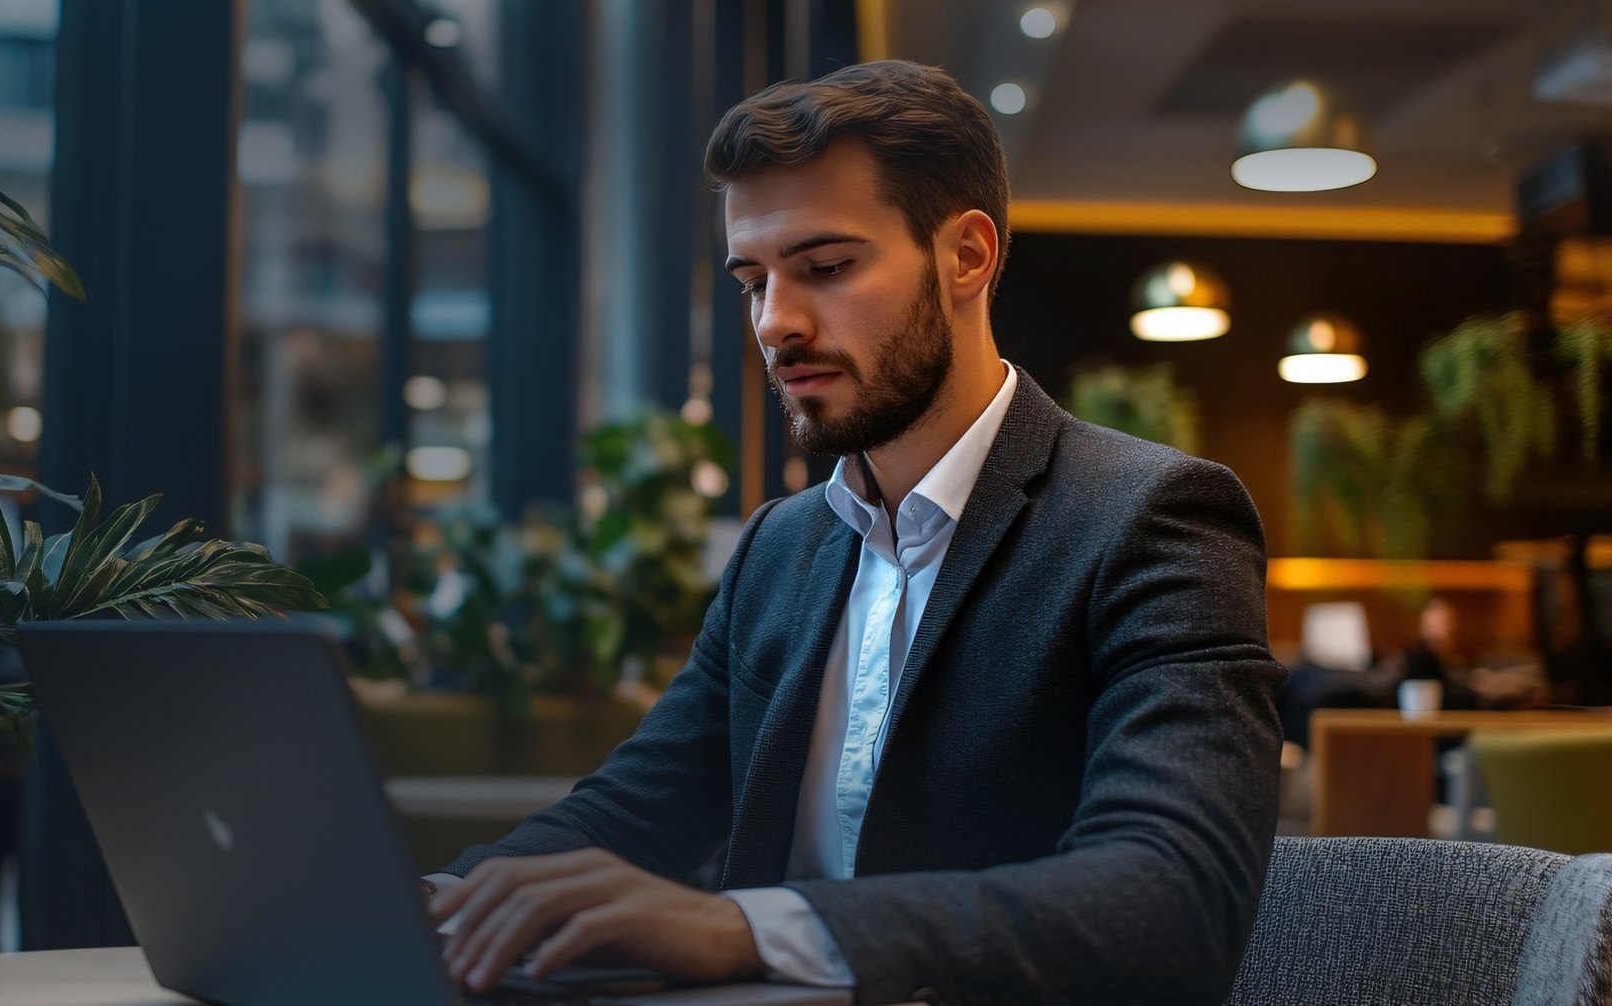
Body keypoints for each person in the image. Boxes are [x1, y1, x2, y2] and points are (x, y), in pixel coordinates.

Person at [426, 60, 1284, 1005]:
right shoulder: (781, 548)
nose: (775, 323)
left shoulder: (1151, 518)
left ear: (967, 256)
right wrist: (442, 905)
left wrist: (740, 927)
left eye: (826, 268)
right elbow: (637, 806)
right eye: (753, 280)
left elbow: (1172, 899)